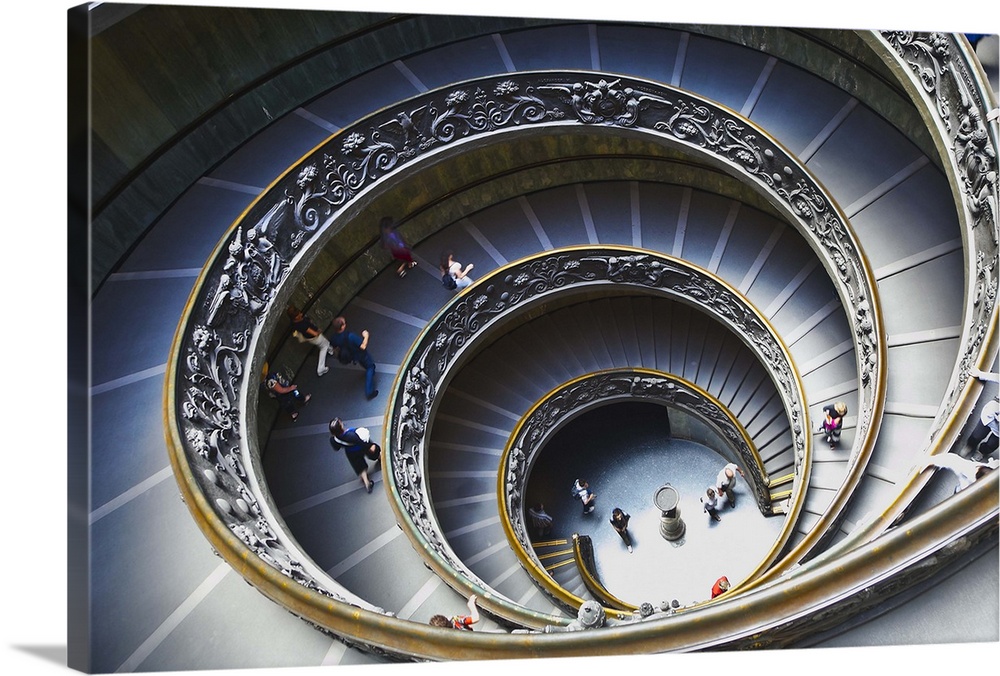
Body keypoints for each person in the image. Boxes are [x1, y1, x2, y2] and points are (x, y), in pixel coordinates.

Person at [329, 316, 378, 400]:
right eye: (344, 323)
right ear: (342, 326)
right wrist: (366, 336)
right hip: (360, 354)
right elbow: (363, 346)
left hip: (353, 356)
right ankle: (369, 391)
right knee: (370, 367)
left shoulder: (334, 338)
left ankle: (367, 370)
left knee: (364, 363)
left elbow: (335, 348)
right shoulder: (350, 336)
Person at [329, 417, 382, 493]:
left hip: (351, 453)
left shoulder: (334, 440)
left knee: (360, 466)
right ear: (341, 427)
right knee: (373, 453)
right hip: (361, 448)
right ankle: (380, 458)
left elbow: (336, 448)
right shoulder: (351, 434)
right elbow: (362, 442)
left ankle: (367, 482)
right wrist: (370, 447)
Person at [286, 306, 334, 376]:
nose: (301, 314)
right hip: (316, 338)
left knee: (326, 344)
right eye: (299, 314)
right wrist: (318, 331)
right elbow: (314, 333)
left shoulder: (294, 323)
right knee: (323, 348)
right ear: (296, 317)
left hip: (310, 339)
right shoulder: (302, 325)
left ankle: (330, 350)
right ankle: (321, 368)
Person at [922, 452, 998, 494]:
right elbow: (952, 460)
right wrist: (931, 460)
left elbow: (952, 460)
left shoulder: (970, 471)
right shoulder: (970, 470)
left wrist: (931, 460)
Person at [965, 396, 999, 462]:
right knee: (977, 435)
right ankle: (970, 445)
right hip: (992, 414)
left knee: (992, 444)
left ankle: (982, 452)